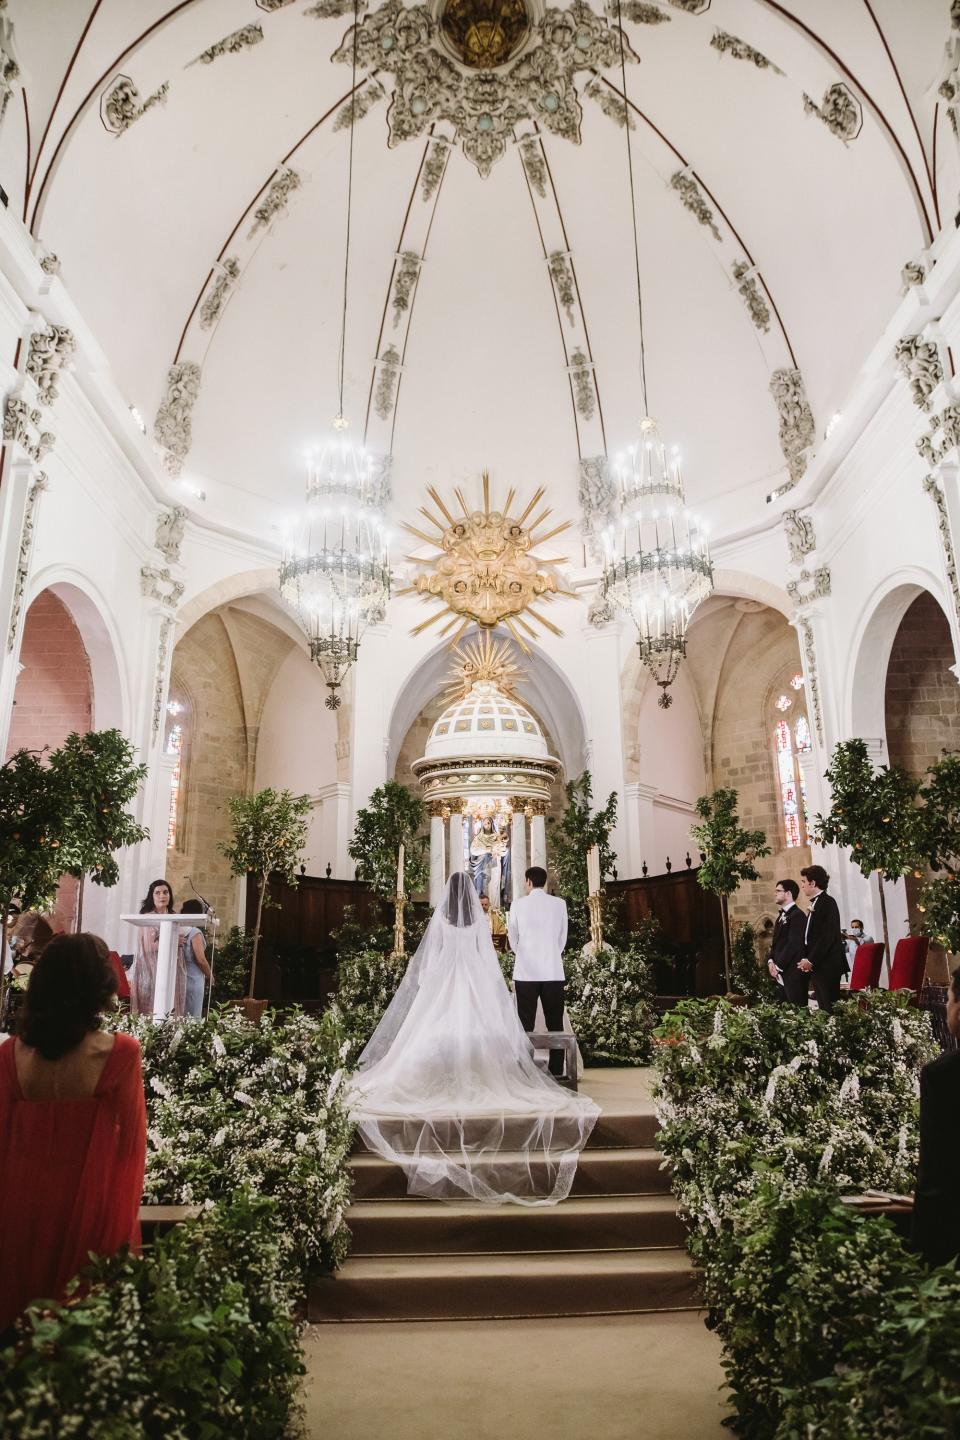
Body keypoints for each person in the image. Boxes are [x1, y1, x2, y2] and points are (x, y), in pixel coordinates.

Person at [347, 872, 598, 1205]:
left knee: (432, 1032)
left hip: (444, 982)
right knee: (483, 1033)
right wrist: (491, 985)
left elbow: (430, 959)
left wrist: (427, 983)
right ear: (468, 896)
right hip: (477, 981)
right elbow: (487, 957)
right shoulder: (480, 920)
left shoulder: (441, 921)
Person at [0, 933, 146, 1332]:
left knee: (18, 1340)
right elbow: (131, 1151)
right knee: (79, 1346)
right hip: (89, 1210)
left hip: (19, 1211)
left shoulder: (10, 1055)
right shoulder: (120, 1053)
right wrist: (119, 1233)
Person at [912, 967, 960, 1267]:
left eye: (950, 998)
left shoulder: (944, 1076)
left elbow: (937, 1175)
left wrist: (920, 1258)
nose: (945, 1006)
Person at [508, 866, 568, 1077]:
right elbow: (562, 938)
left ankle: (525, 1071)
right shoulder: (559, 904)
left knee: (526, 1022)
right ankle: (557, 1069)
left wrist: (524, 954)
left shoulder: (517, 905)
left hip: (526, 972)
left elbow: (512, 937)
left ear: (528, 882)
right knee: (555, 1022)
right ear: (544, 882)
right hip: (553, 970)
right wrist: (550, 954)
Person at [131, 879, 185, 1017]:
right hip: (151, 968)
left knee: (171, 1006)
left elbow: (182, 940)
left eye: (166, 892)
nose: (162, 896)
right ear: (152, 896)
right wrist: (173, 941)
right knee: (153, 1008)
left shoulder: (173, 916)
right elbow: (149, 946)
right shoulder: (148, 917)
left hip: (172, 968)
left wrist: (175, 941)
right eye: (158, 893)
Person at [798, 864, 847, 1012]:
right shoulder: (817, 903)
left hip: (828, 964)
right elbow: (810, 936)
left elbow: (827, 936)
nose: (802, 886)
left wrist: (811, 959)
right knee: (824, 1008)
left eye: (804, 882)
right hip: (819, 964)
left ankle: (836, 1034)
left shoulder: (827, 902)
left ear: (813, 883)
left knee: (829, 1007)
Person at [766, 879, 808, 1005]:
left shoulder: (798, 915)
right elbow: (776, 943)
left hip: (793, 973)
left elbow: (793, 945)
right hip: (781, 973)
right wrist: (770, 961)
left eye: (778, 891)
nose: (775, 893)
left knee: (798, 1011)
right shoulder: (781, 917)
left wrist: (778, 967)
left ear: (788, 894)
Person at [178, 899, 213, 1018]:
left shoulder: (177, 931)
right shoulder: (194, 932)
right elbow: (201, 960)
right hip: (193, 980)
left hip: (179, 980)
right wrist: (210, 975)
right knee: (193, 1017)